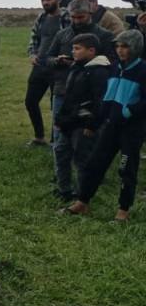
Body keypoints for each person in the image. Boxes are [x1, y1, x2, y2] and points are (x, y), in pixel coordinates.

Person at [67, 29, 146, 222]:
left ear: (135, 48)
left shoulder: (143, 70)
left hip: (132, 129)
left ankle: (123, 211)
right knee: (95, 164)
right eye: (118, 46)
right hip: (111, 126)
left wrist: (129, 112)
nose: (120, 50)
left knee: (126, 169)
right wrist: (95, 123)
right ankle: (82, 202)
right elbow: (106, 99)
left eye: (125, 46)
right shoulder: (114, 68)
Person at [44, 0, 114, 193]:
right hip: (63, 92)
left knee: (86, 143)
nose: (76, 21)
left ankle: (89, 183)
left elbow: (112, 62)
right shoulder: (62, 35)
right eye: (73, 17)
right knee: (60, 142)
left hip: (90, 98)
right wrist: (58, 61)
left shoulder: (104, 36)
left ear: (90, 14)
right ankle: (62, 182)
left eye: (80, 17)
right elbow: (47, 59)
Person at [50, 33, 110, 200]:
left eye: (77, 48)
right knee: (60, 152)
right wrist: (60, 119)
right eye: (73, 48)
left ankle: (83, 195)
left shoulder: (99, 72)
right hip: (68, 122)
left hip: (83, 125)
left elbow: (100, 102)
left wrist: (92, 125)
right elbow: (69, 97)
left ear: (91, 51)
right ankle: (64, 190)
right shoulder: (76, 68)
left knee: (82, 160)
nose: (73, 52)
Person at [24, 0, 66, 146]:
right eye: (43, 0)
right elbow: (34, 38)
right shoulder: (41, 17)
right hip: (40, 66)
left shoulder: (66, 17)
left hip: (58, 68)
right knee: (30, 101)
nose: (45, 3)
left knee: (56, 106)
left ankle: (56, 140)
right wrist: (32, 54)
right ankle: (39, 136)